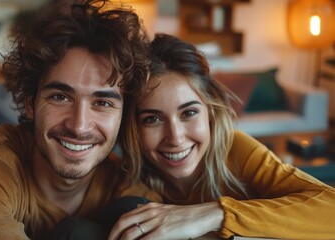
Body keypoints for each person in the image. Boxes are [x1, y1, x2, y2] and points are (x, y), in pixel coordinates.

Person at [0, 0, 161, 239]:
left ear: (123, 117)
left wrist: (205, 213)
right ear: (30, 104)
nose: (79, 126)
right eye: (60, 97)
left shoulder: (126, 184)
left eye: (102, 103)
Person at [109, 33, 335, 239]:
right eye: (153, 119)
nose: (175, 138)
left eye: (189, 113)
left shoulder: (235, 148)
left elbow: (330, 209)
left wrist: (216, 213)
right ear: (134, 127)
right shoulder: (131, 187)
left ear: (210, 111)